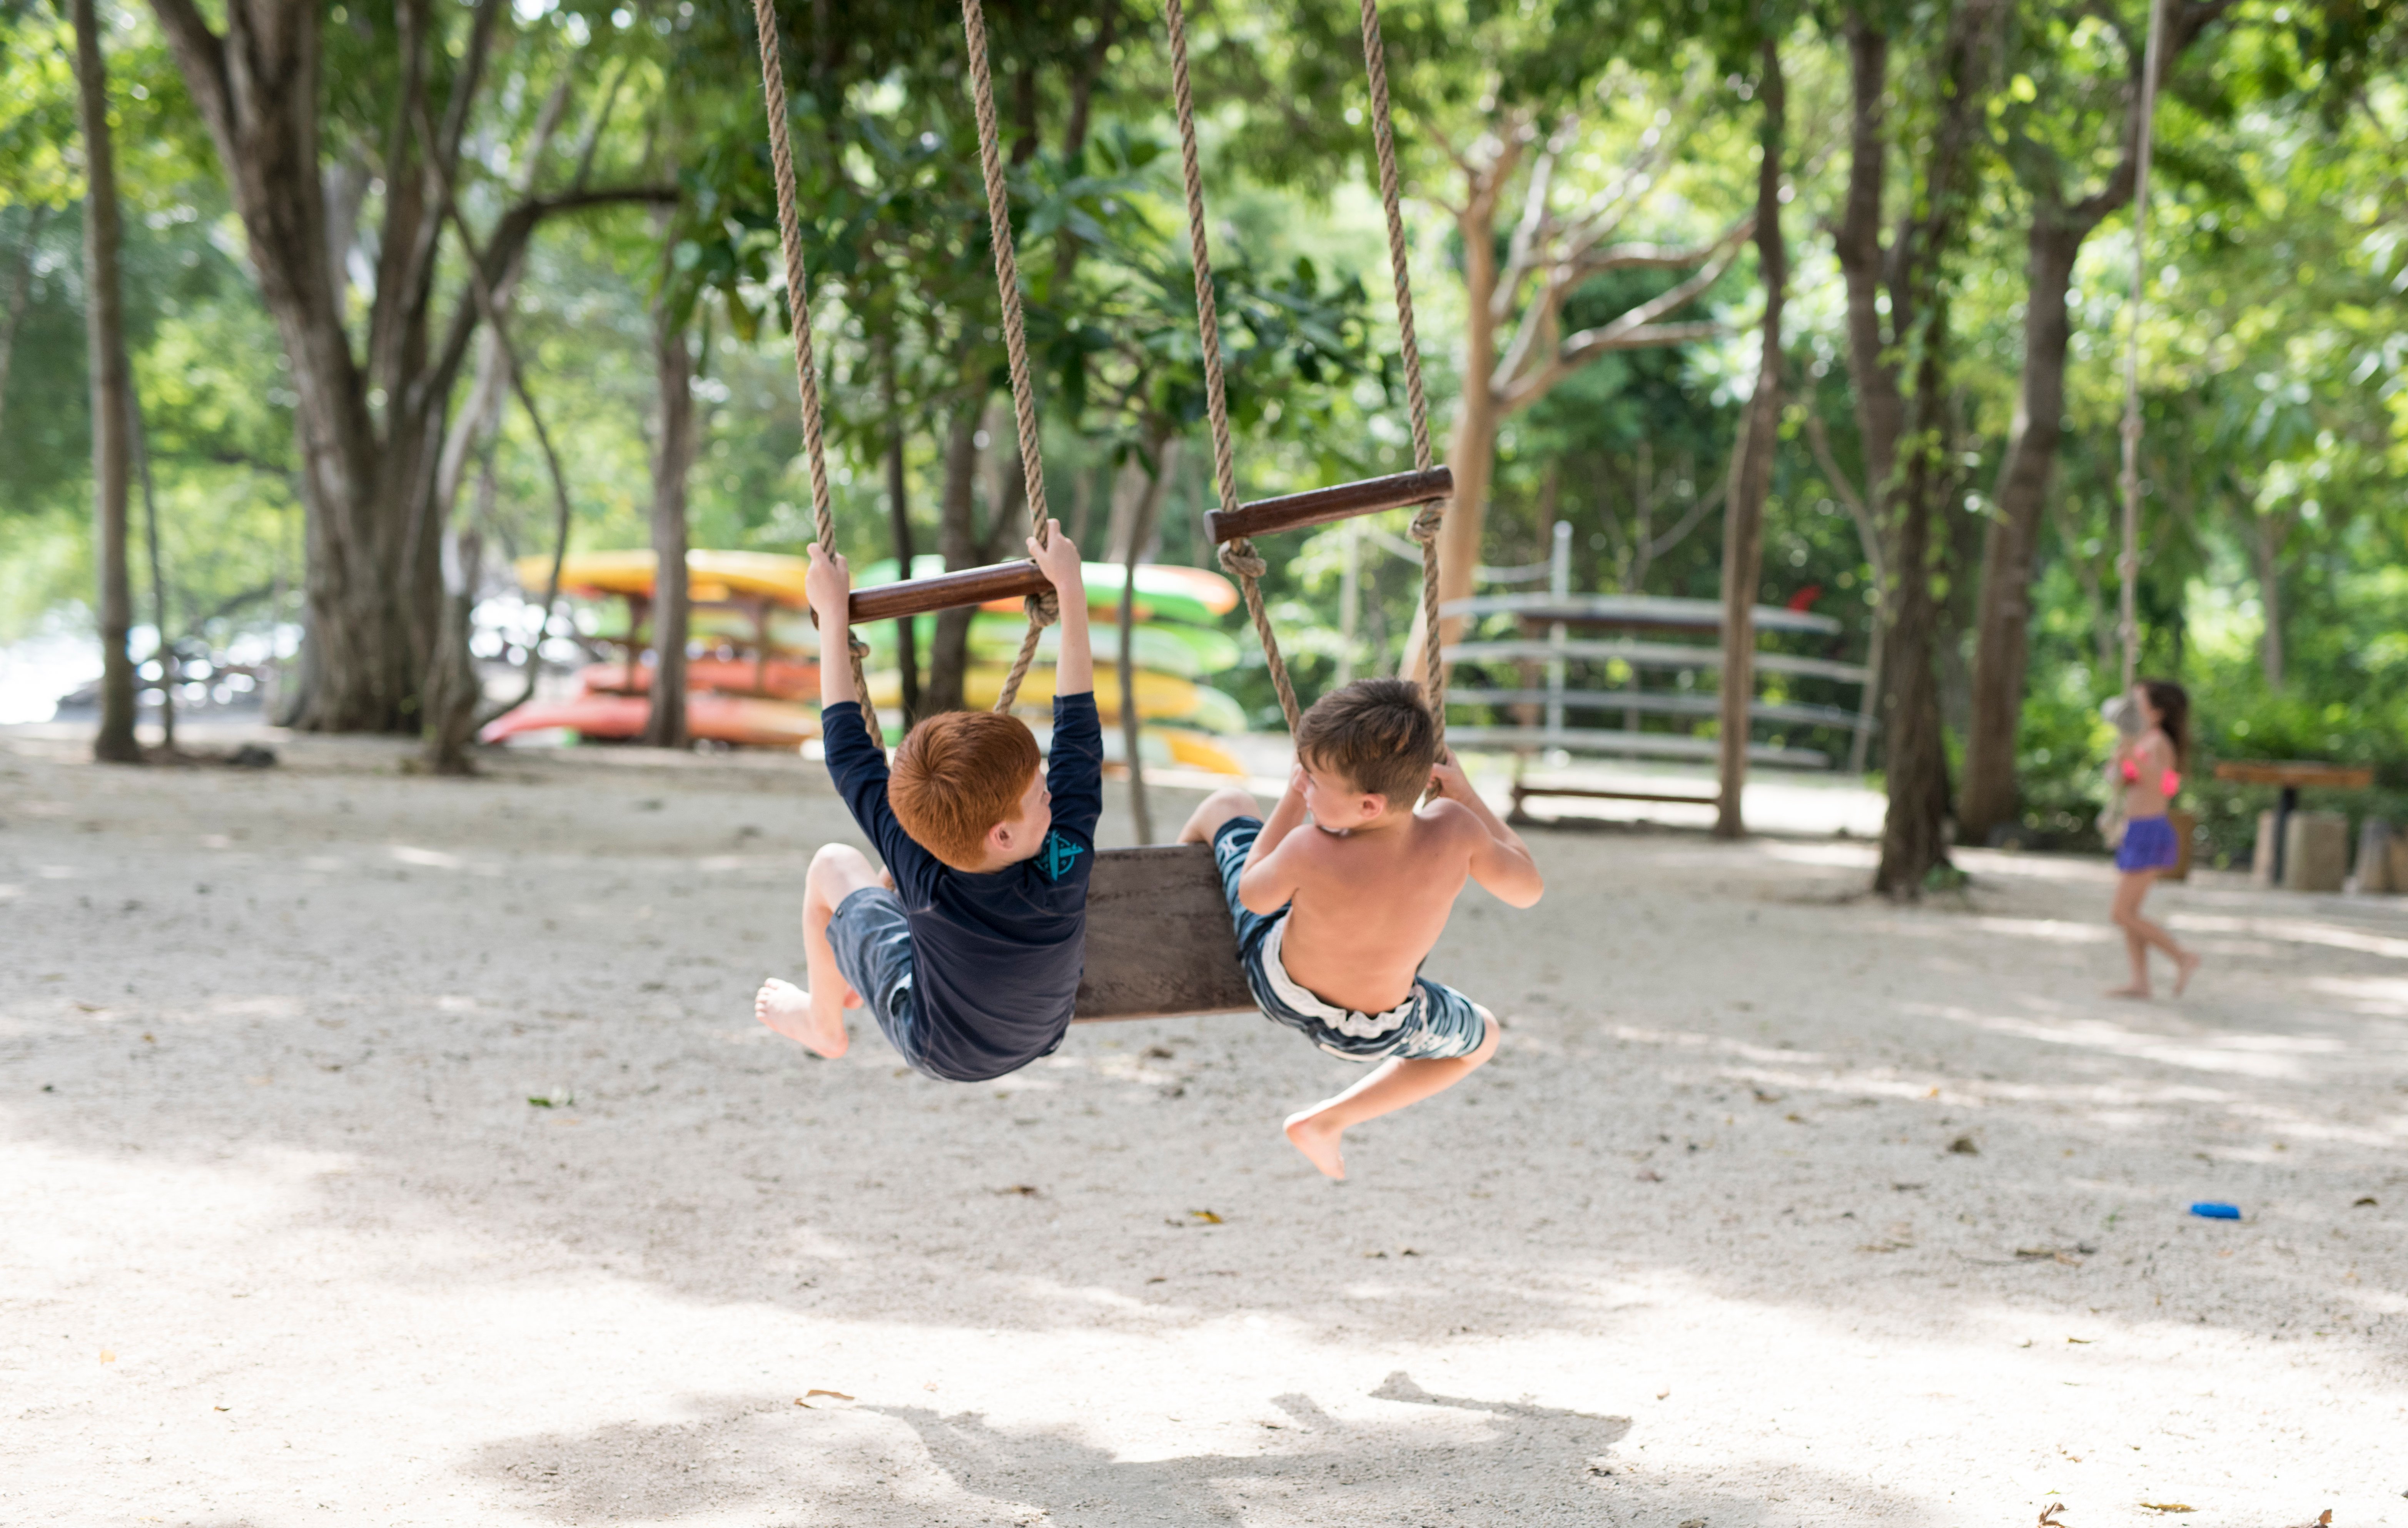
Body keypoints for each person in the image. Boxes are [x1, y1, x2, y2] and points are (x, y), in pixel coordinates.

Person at [753, 525, 1100, 1080]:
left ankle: (824, 1017)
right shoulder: (1067, 856)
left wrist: (832, 617)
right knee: (892, 878)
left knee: (835, 865)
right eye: (1041, 794)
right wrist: (1070, 585)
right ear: (1003, 836)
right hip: (1039, 1033)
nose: (1053, 793)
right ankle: (840, 994)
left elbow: (849, 757)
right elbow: (1079, 726)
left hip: (944, 1049)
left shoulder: (923, 867)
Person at [1176, 679, 1545, 1179]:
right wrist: (1464, 794)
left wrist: (1289, 802)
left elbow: (1252, 894)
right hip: (1382, 1031)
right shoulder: (1457, 829)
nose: (1302, 783)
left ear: (1368, 805)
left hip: (1279, 989)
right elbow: (1527, 888)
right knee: (1483, 1038)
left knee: (1225, 804)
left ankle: (1176, 910)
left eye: (1311, 779)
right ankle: (1330, 1120)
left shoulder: (1307, 848)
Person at [2106, 677, 2201, 1000]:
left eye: (2139, 703)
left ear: (2157, 713)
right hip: (2136, 830)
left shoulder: (2159, 743)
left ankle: (2182, 957)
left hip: (2151, 830)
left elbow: (2167, 786)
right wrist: (2121, 762)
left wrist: (2133, 759)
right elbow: (2123, 782)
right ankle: (2140, 982)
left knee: (2121, 913)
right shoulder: (2141, 741)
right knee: (2130, 913)